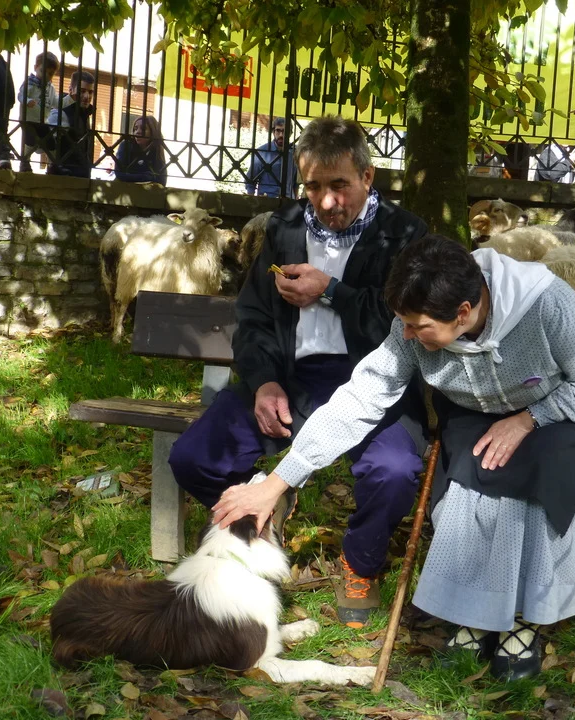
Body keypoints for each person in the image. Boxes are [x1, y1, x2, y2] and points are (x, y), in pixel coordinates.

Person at [212, 235, 575, 682]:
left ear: (463, 312)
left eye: (418, 326)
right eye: (403, 324)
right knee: (472, 488)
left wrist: (529, 419)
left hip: (565, 412)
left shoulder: (546, 304)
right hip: (479, 415)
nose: (406, 334)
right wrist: (278, 483)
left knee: (539, 489)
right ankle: (476, 616)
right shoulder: (410, 328)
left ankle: (523, 624)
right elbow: (360, 399)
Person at [168, 115, 429, 628]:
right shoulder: (285, 228)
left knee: (394, 470)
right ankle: (260, 520)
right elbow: (253, 317)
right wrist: (264, 381)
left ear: (368, 176)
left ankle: (361, 563)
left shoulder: (404, 234)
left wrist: (330, 291)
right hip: (292, 380)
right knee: (194, 457)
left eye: (340, 185)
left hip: (376, 382)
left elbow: (407, 323)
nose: (327, 201)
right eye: (313, 186)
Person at [46, 71, 96, 178]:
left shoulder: (85, 114)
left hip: (83, 178)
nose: (87, 96)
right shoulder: (61, 112)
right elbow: (48, 144)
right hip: (63, 178)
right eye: (82, 91)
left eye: (90, 92)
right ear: (71, 90)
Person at [17, 52, 60, 173]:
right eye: (43, 71)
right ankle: (25, 162)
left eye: (50, 73)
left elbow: (55, 102)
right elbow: (20, 95)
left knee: (51, 142)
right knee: (29, 140)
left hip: (42, 121)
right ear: (35, 67)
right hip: (28, 120)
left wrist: (69, 99)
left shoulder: (50, 87)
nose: (46, 76)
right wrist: (27, 101)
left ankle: (52, 165)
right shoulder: (30, 83)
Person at [245, 116, 297, 198]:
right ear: (273, 132)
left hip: (288, 200)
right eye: (278, 131)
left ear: (290, 133)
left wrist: (295, 200)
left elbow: (296, 181)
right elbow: (251, 180)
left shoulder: (295, 152)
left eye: (285, 131)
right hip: (266, 200)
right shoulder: (262, 152)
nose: (281, 135)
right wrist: (251, 200)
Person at [114, 115, 167, 184]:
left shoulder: (156, 150)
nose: (137, 132)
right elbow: (119, 174)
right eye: (135, 129)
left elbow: (162, 180)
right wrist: (146, 176)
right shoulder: (126, 145)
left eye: (143, 129)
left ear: (152, 132)